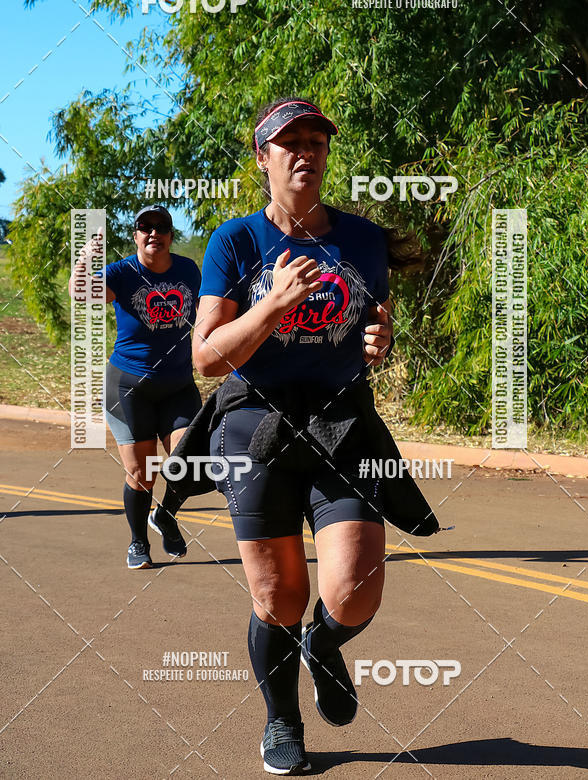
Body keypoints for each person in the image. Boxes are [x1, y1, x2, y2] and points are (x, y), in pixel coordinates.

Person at [190, 98, 437, 774]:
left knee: (354, 591)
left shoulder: (360, 239)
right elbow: (205, 359)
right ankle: (282, 722)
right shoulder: (235, 242)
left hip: (342, 418)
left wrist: (378, 340)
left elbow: (369, 324)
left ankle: (322, 647)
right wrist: (270, 305)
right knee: (278, 600)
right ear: (263, 157)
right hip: (254, 421)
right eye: (288, 142)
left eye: (315, 142)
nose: (305, 152)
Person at [69, 205, 202, 569]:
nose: (153, 233)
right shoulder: (122, 272)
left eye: (162, 227)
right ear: (136, 234)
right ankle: (138, 542)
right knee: (143, 473)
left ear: (172, 236)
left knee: (187, 463)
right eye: (145, 227)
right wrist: (86, 255)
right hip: (129, 387)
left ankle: (166, 515)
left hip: (178, 385)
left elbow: (211, 311)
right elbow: (79, 293)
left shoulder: (188, 270)